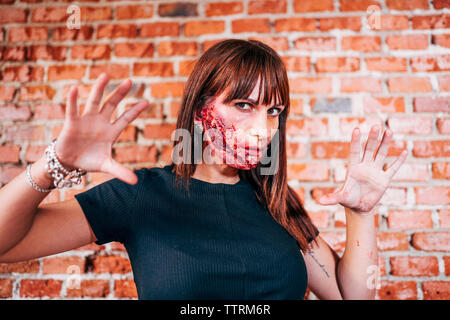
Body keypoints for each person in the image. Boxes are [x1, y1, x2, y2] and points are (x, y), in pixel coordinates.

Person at [0, 39, 407, 300]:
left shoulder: (278, 203)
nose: (264, 127)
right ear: (200, 112)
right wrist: (56, 164)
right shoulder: (140, 193)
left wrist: (361, 214)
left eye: (274, 111)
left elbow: (352, 297)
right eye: (244, 106)